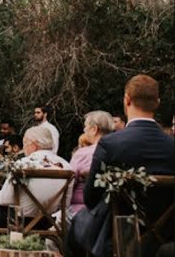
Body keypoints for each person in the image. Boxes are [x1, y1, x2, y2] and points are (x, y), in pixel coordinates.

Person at [73, 75, 175, 257]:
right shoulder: (172, 146)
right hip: (166, 236)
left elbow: (90, 198)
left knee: (78, 221)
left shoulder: (110, 144)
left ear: (126, 100)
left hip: (118, 235)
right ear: (157, 102)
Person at [68, 110, 113, 216]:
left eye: (85, 126)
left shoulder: (82, 153)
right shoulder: (118, 151)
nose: (84, 130)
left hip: (81, 211)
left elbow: (69, 184)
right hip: (111, 211)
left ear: (94, 129)